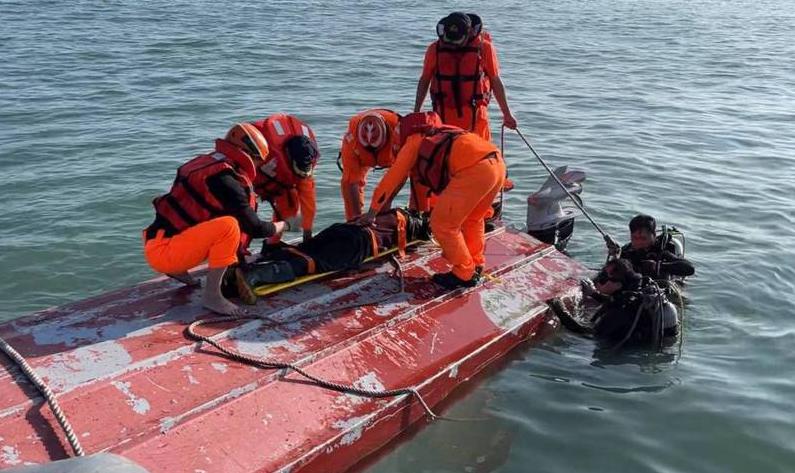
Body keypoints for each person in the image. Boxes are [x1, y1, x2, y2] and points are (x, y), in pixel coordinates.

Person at [142, 123, 298, 315]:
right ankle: (212, 296)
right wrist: (286, 224)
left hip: (156, 244)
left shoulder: (204, 164)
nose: (258, 167)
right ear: (249, 155)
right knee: (229, 226)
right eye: (259, 162)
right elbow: (255, 228)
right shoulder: (228, 181)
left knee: (213, 221)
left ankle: (178, 269)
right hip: (168, 254)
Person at [360, 112, 506, 290]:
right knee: (473, 219)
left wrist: (372, 212)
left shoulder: (413, 142)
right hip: (497, 164)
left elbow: (391, 180)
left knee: (442, 224)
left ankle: (464, 273)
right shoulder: (442, 133)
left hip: (475, 170)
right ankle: (476, 263)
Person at [230, 209, 431, 299]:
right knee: (312, 262)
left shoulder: (392, 211)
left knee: (302, 250)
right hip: (359, 243)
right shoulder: (415, 224)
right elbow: (422, 232)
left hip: (344, 228)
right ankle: (255, 276)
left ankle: (239, 272)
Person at [413, 12, 516, 142]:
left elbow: (495, 81)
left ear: (469, 33)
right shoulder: (435, 49)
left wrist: (506, 114)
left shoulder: (484, 48)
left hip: (477, 119)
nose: (452, 45)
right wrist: (416, 111)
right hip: (443, 119)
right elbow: (424, 80)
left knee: (479, 156)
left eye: (457, 41)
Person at [551, 258, 678, 346]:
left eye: (604, 278)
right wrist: (594, 293)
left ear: (618, 285)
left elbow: (589, 334)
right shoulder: (629, 296)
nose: (600, 280)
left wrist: (560, 309)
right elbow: (612, 301)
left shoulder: (620, 311)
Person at [251, 114, 320, 244]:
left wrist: (307, 233)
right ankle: (238, 250)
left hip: (279, 181)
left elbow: (309, 202)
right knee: (244, 214)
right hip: (255, 179)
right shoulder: (266, 150)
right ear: (288, 157)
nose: (304, 173)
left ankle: (272, 242)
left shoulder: (305, 161)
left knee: (290, 209)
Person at [338, 109, 401, 220]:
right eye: (369, 148)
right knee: (347, 184)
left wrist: (382, 206)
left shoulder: (399, 133)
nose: (373, 150)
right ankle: (353, 222)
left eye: (376, 148)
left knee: (416, 173)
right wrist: (357, 220)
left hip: (392, 156)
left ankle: (423, 213)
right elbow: (352, 182)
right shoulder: (351, 140)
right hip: (361, 157)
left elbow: (401, 173)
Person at [620, 214, 695, 281]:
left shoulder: (663, 250)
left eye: (643, 238)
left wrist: (659, 266)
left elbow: (690, 269)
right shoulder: (626, 251)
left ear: (654, 235)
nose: (638, 242)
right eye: (634, 238)